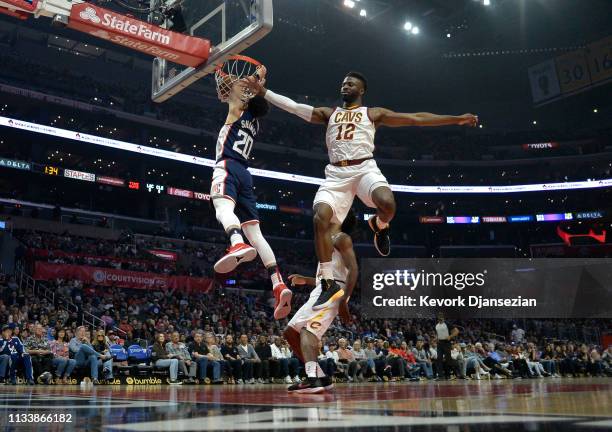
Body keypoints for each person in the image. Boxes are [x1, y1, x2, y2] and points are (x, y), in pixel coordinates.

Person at [244, 72, 477, 308]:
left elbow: (415, 118)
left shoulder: (373, 113)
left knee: (387, 204)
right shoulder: (329, 113)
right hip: (336, 175)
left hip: (365, 168)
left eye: (351, 83)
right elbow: (294, 107)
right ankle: (326, 282)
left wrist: (456, 119)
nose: (345, 85)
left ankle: (380, 225)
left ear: (361, 90)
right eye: (343, 82)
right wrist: (264, 92)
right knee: (320, 217)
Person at [210, 62, 292, 319]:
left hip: (228, 165)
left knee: (221, 207)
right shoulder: (255, 123)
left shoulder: (237, 110)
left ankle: (236, 243)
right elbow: (253, 94)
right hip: (246, 174)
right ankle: (278, 282)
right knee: (256, 233)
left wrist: (253, 76)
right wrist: (260, 79)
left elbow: (237, 87)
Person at [283, 209, 359, 393]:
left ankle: (312, 379)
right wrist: (307, 279)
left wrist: (343, 301)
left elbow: (354, 270)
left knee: (308, 332)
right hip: (322, 288)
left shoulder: (342, 238)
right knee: (290, 333)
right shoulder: (328, 239)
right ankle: (320, 376)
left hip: (333, 291)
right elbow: (328, 275)